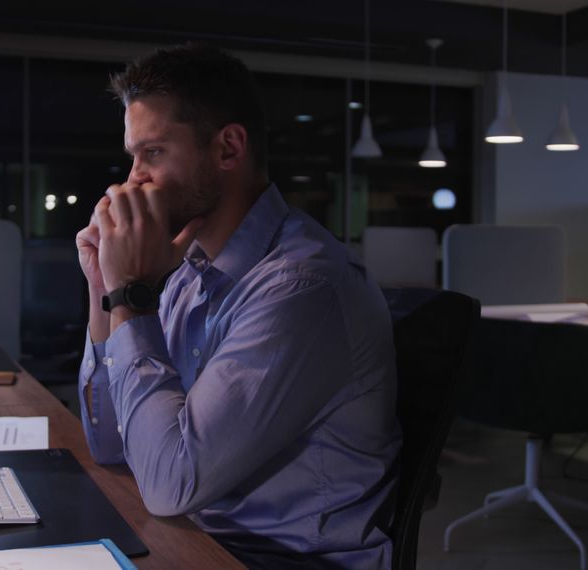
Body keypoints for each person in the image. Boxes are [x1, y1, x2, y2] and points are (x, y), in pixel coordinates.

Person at [76, 43, 402, 569]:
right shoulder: (185, 270)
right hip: (199, 538)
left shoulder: (301, 285)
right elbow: (112, 444)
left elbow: (170, 484)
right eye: (132, 155)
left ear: (228, 148)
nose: (132, 177)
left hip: (283, 560)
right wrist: (103, 286)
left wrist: (132, 294)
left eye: (153, 153)